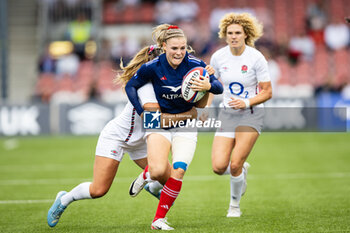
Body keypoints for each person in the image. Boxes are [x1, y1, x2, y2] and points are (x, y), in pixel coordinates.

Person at [46, 44, 198, 227]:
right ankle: (64, 199)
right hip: (118, 138)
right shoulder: (145, 86)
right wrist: (188, 114)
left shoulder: (167, 82)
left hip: (143, 140)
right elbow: (154, 121)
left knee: (170, 180)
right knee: (98, 190)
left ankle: (150, 182)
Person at [125, 24, 223, 230]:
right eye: (174, 48)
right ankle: (147, 175)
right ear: (163, 46)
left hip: (186, 126)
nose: (179, 52)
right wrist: (142, 112)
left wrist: (208, 86)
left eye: (183, 48)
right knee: (159, 170)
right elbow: (130, 86)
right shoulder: (152, 67)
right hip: (162, 124)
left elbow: (218, 87)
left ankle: (158, 219)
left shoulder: (196, 64)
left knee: (178, 171)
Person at [208, 12, 272, 218]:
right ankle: (241, 171)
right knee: (218, 167)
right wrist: (206, 107)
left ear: (246, 35)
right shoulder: (218, 57)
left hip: (250, 115)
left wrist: (246, 102)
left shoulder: (256, 58)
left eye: (237, 33)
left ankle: (234, 206)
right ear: (224, 35)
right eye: (229, 33)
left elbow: (267, 92)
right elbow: (212, 86)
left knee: (233, 163)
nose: (233, 36)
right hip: (227, 115)